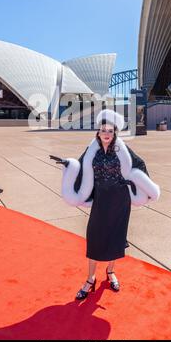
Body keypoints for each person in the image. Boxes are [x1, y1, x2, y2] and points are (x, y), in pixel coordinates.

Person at [60, 109, 160, 300]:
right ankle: (90, 279)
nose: (107, 134)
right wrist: (68, 165)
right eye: (103, 130)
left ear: (115, 133)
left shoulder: (121, 149)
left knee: (115, 237)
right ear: (98, 132)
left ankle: (111, 272)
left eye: (111, 131)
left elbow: (139, 165)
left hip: (120, 200)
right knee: (95, 237)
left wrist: (133, 183)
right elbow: (80, 167)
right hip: (101, 199)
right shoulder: (92, 150)